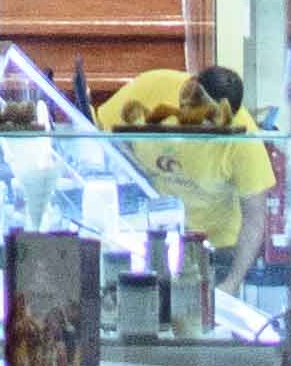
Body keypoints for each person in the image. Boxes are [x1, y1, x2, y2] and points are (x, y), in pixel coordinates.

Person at [98, 57, 279, 273]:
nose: (205, 131)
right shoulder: (152, 87)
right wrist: (136, 174)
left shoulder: (243, 137)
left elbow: (255, 219)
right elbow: (102, 132)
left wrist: (230, 283)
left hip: (213, 248)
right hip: (149, 235)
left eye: (213, 125)